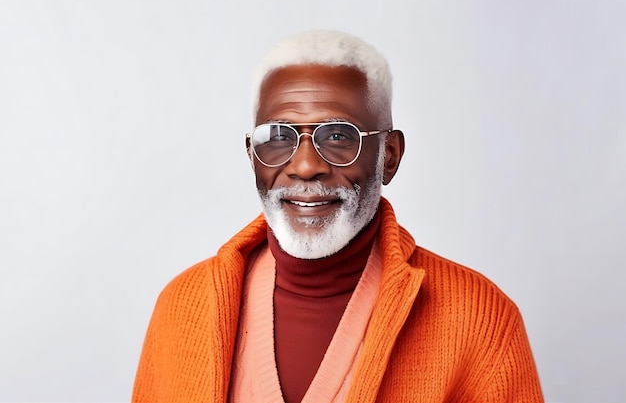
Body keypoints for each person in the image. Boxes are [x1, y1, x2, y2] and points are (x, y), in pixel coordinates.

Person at [132, 30, 544, 403]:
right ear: (251, 155)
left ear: (390, 156)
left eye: (338, 136)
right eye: (278, 137)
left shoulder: (479, 320)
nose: (306, 165)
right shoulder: (181, 307)